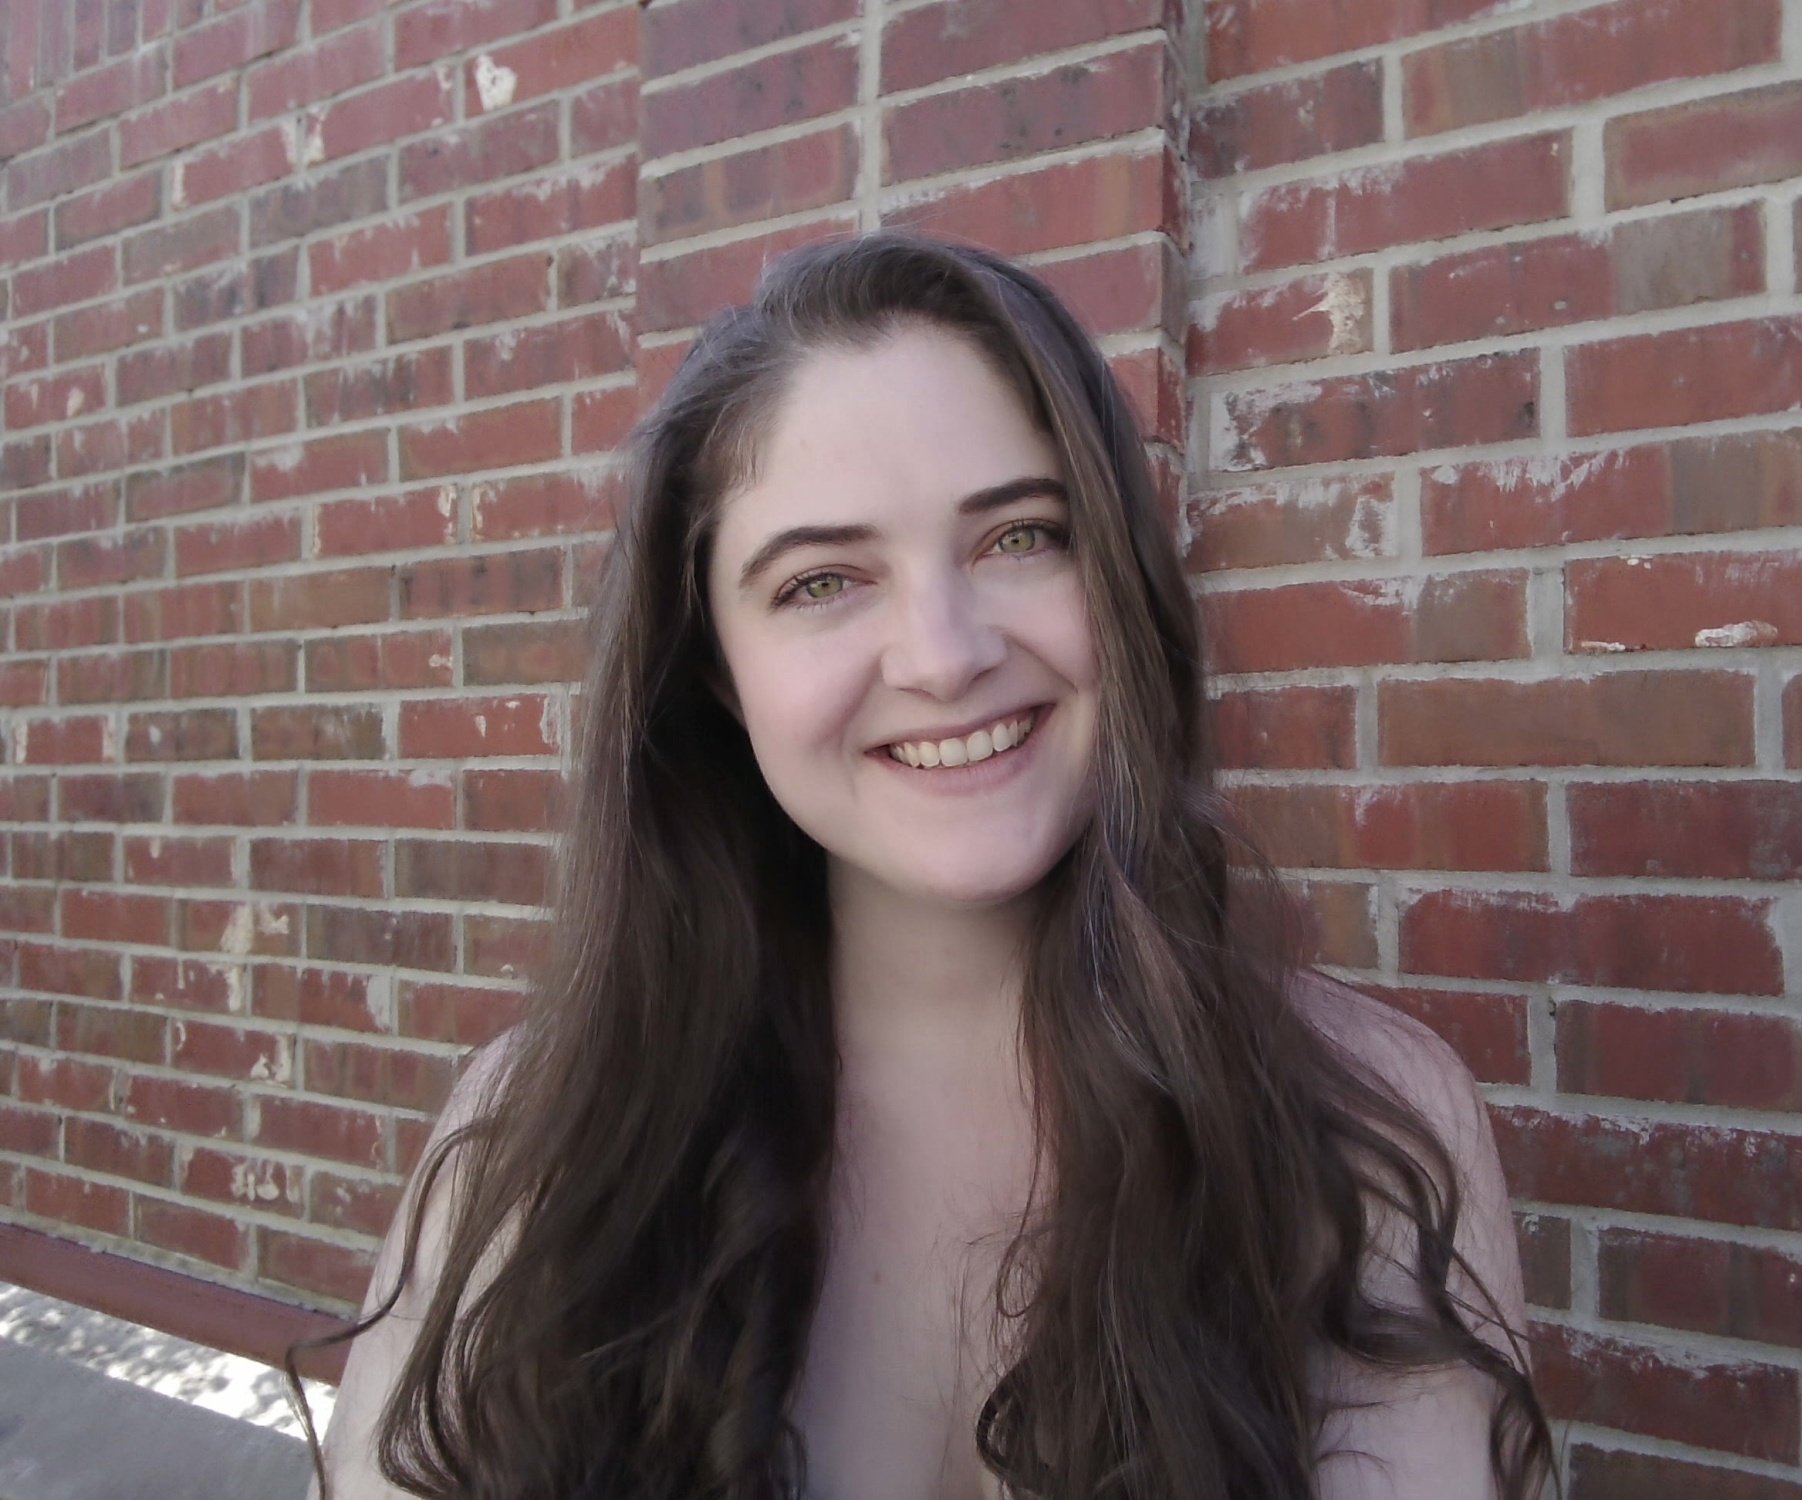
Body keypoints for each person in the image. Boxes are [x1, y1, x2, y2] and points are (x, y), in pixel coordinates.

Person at [296, 230, 1555, 1500]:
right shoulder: (543, 1141)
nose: (943, 656)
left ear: (1118, 579)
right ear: (717, 677)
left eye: (1020, 538)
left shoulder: (1366, 1132)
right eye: (823, 579)